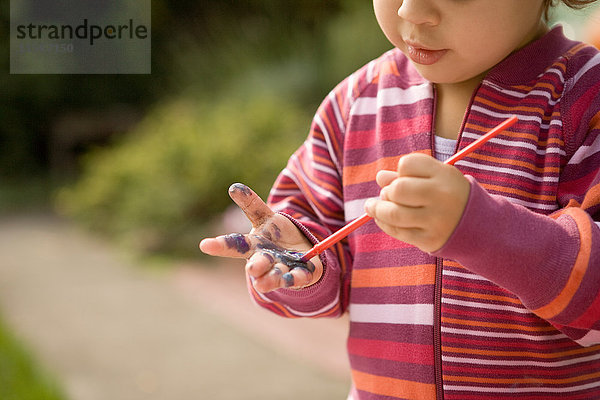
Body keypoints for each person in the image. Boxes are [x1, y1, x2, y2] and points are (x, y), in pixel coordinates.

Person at [200, 0, 600, 398]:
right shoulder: (353, 106)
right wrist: (300, 264)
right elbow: (315, 258)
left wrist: (483, 230)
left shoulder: (586, 99)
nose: (410, 11)